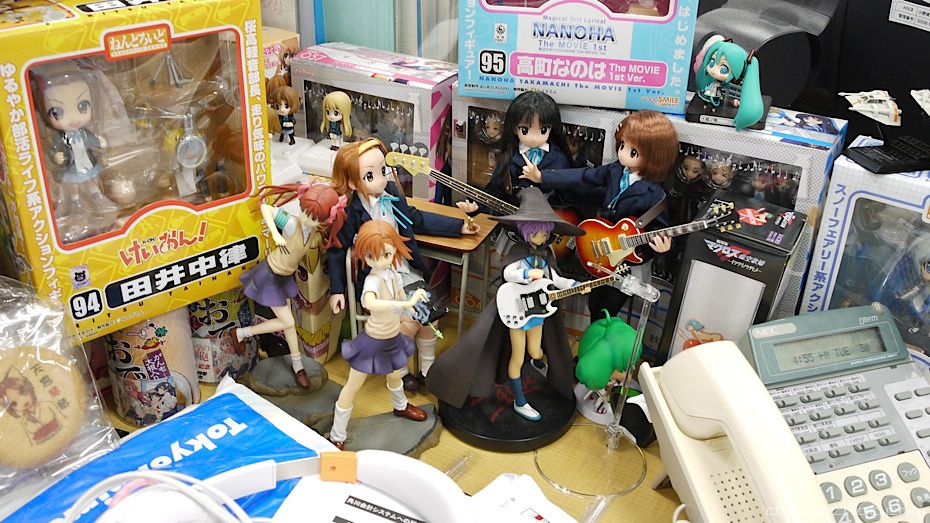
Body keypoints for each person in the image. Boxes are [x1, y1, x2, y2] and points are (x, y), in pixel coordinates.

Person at [327, 138, 480, 390]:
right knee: (404, 325)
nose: (381, 179)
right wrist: (336, 289)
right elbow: (337, 250)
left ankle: (427, 370)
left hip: (404, 271)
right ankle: (400, 372)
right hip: (376, 279)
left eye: (383, 170)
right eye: (370, 175)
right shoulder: (351, 212)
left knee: (429, 317)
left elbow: (416, 219)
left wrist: (458, 227)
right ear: (353, 182)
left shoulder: (392, 196)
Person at [427, 188, 584, 419]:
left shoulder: (546, 255)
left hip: (537, 313)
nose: (540, 237)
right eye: (535, 233)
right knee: (518, 357)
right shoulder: (518, 251)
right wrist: (527, 275)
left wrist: (573, 284)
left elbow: (556, 278)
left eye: (544, 233)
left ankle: (537, 369)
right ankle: (520, 401)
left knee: (536, 352)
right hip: (517, 314)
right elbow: (509, 272)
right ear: (525, 232)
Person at [521, 110, 678, 320]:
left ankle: (600, 338)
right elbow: (583, 176)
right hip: (599, 249)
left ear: (655, 157)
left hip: (626, 262)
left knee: (607, 310)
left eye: (633, 152)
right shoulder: (616, 171)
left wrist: (664, 247)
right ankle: (592, 337)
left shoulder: (654, 195)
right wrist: (543, 177)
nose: (622, 154)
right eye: (622, 145)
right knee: (594, 303)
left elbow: (660, 228)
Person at [328, 220, 430, 449]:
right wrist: (404, 304)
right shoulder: (372, 280)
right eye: (371, 256)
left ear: (394, 250)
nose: (380, 260)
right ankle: (337, 435)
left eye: (386, 254)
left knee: (395, 375)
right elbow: (369, 302)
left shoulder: (393, 274)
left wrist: (415, 308)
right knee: (353, 386)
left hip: (392, 337)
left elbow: (401, 297)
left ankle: (400, 406)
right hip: (373, 341)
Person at [236, 181, 347, 388]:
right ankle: (243, 333)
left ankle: (298, 366)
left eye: (314, 217)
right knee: (287, 322)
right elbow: (266, 208)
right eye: (304, 211)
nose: (306, 218)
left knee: (289, 325)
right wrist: (275, 233)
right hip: (270, 275)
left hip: (285, 277)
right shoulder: (290, 224)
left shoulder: (313, 232)